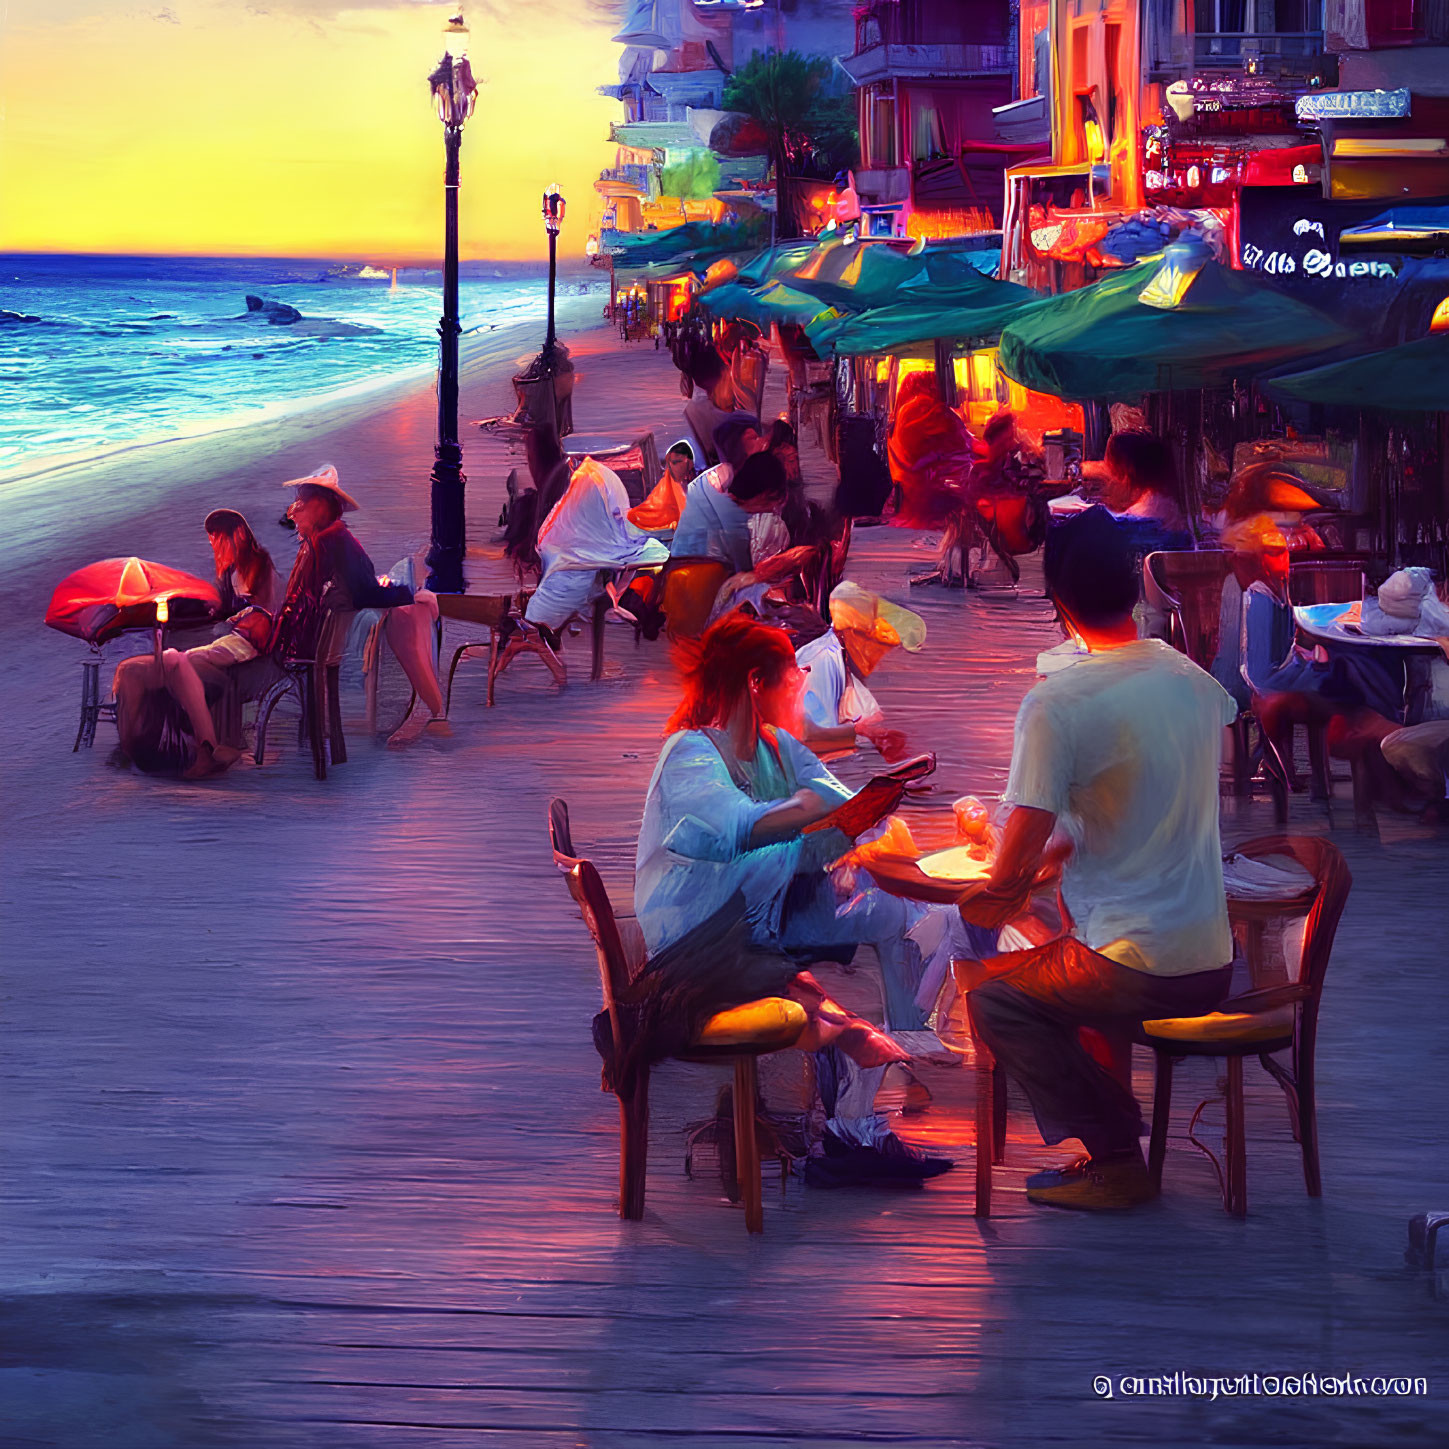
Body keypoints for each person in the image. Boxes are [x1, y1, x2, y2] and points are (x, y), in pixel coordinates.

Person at [954, 506, 1239, 1210]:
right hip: (1209, 956)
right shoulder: (1191, 680)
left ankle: (1116, 1154)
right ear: (1135, 592)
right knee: (1059, 962)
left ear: (1058, 606)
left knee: (994, 999)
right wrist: (1064, 848)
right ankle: (1114, 1143)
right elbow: (1138, 798)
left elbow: (1016, 844)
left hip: (1133, 965)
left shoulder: (1058, 701)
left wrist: (994, 884)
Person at [635, 613, 951, 1185]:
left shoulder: (778, 748)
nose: (802, 686)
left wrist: (868, 811)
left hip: (765, 916)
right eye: (793, 678)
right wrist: (820, 811)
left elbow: (836, 815)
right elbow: (742, 829)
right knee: (854, 983)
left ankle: (859, 1123)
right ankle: (861, 1095)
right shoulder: (690, 754)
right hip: (702, 942)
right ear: (756, 683)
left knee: (911, 919)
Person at [280, 466, 446, 746]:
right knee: (410, 612)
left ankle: (431, 710)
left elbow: (357, 590)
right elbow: (361, 593)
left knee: (409, 611)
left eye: (300, 505)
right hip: (318, 641)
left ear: (319, 507)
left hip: (310, 635)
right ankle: (434, 712)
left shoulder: (323, 542)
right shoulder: (333, 540)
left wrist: (403, 593)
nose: (291, 512)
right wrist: (410, 593)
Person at [523, 458, 668, 644]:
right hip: (586, 546)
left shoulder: (590, 482)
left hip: (590, 543)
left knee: (608, 564)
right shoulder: (588, 483)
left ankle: (602, 603)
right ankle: (601, 604)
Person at [797, 582, 924, 760]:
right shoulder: (821, 661)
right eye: (874, 644)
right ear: (850, 632)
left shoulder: (842, 657)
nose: (877, 657)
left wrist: (875, 734)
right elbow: (815, 736)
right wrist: (871, 736)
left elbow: (860, 718)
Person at [1095, 430, 1193, 550]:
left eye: (1114, 468)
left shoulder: (1152, 506)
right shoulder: (1157, 497)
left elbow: (1126, 528)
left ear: (1126, 469)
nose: (1113, 477)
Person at [204, 508, 281, 616]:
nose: (215, 546)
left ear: (239, 535)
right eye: (212, 539)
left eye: (220, 539)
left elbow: (264, 610)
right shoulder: (229, 572)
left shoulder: (260, 566)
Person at [627, 440, 695, 534]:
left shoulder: (695, 480)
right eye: (670, 462)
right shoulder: (670, 480)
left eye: (675, 462)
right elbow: (656, 504)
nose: (671, 466)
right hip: (659, 516)